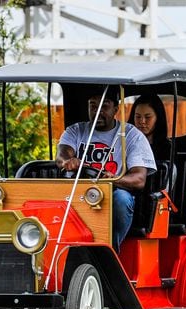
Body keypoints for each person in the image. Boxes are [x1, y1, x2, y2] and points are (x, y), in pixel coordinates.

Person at [57, 86, 156, 251]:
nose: (98, 111)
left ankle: (110, 251)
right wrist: (69, 161)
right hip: (77, 191)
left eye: (104, 106)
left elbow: (139, 179)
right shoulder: (75, 130)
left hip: (112, 194)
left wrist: (113, 179)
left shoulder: (132, 135)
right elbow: (62, 155)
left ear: (116, 109)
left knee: (122, 199)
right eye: (93, 106)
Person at [129, 94, 172, 160]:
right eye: (138, 117)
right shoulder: (126, 144)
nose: (142, 121)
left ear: (158, 118)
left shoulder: (167, 148)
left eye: (147, 117)